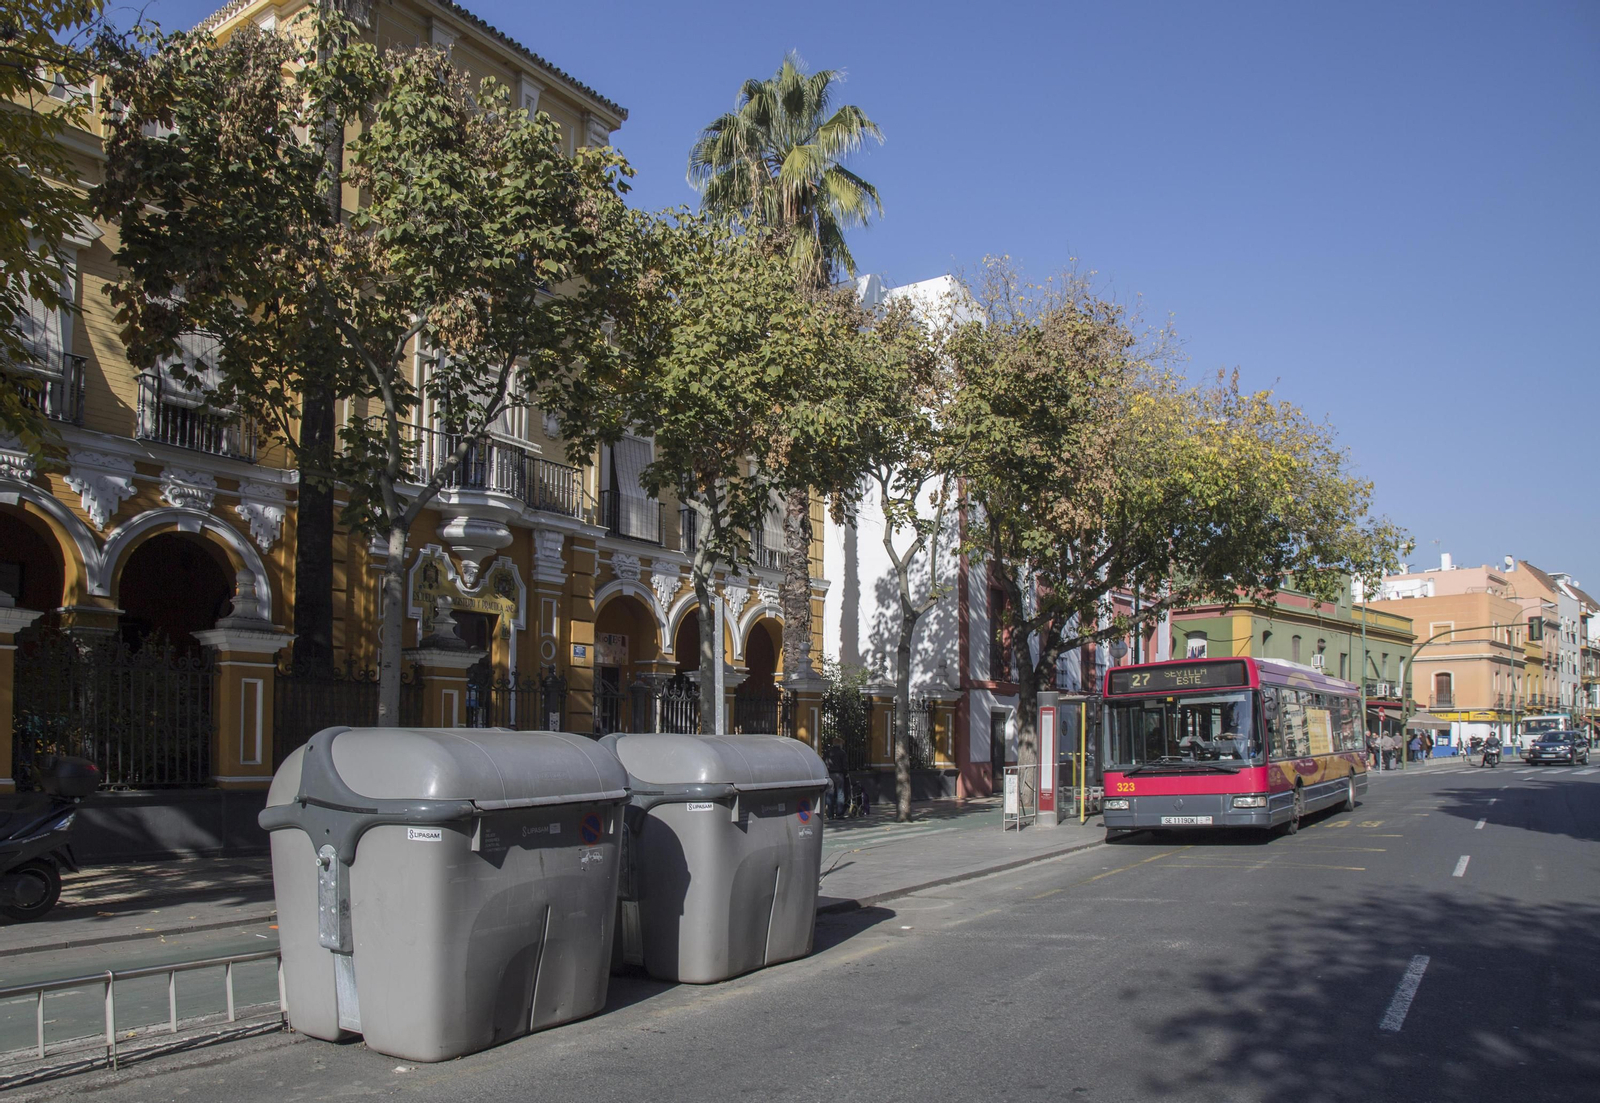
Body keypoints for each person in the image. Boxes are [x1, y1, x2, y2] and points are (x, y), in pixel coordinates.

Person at [824, 740, 849, 817]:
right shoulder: (842, 753)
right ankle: (839, 813)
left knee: (830, 793)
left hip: (830, 774)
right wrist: (846, 773)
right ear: (840, 744)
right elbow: (845, 765)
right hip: (839, 774)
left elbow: (825, 762)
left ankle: (830, 814)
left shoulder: (828, 752)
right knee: (840, 793)